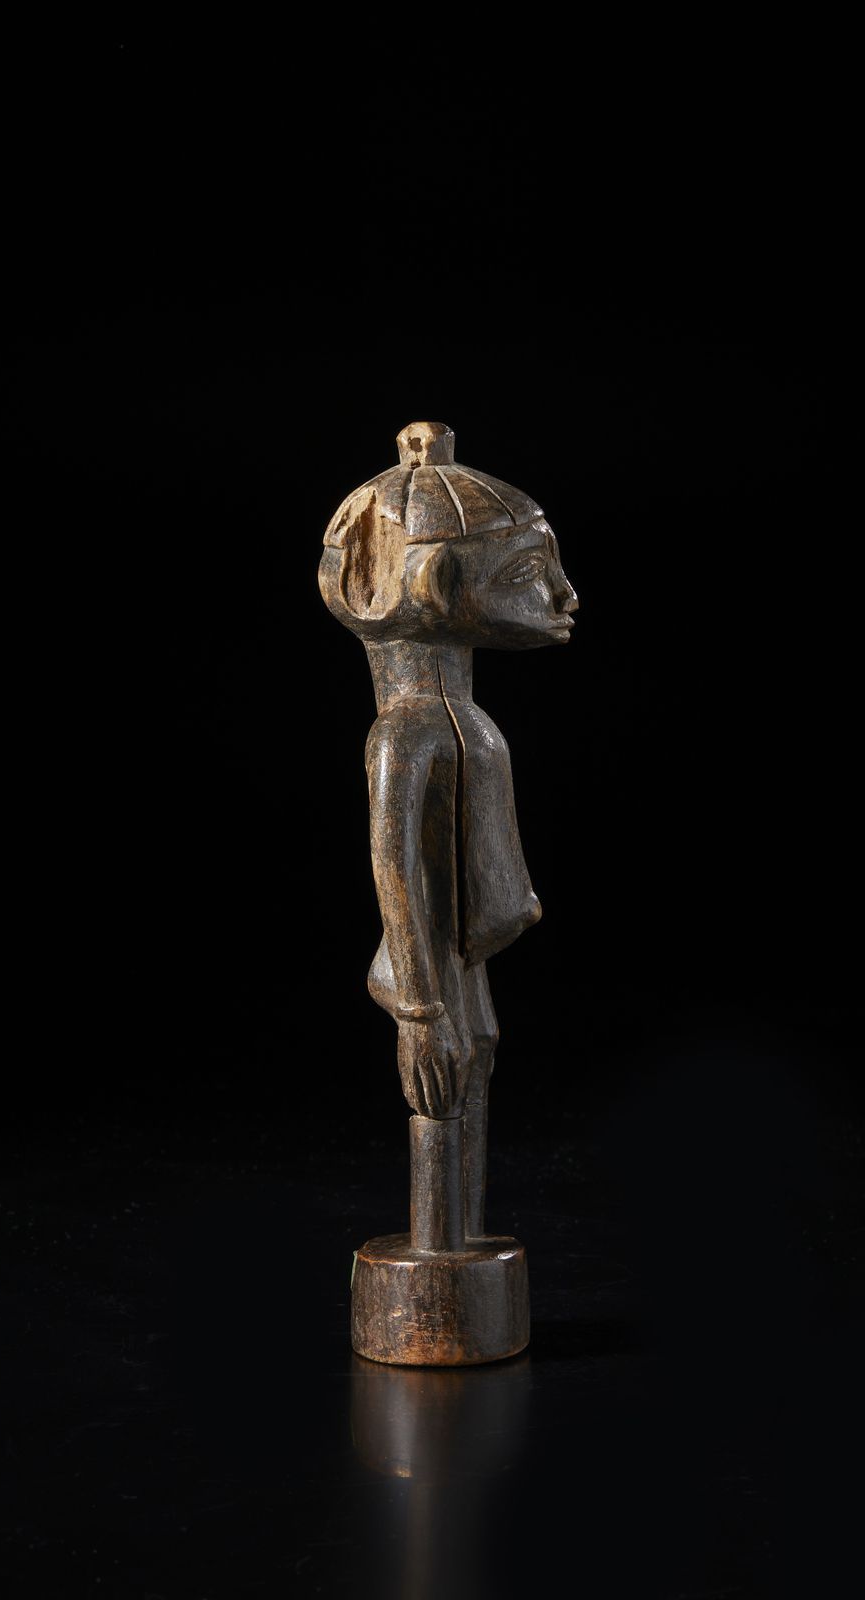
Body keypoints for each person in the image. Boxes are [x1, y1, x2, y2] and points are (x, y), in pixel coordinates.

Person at [319, 421, 577, 1238]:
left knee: (480, 1049)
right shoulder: (405, 732)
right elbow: (392, 860)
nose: (565, 596)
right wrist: (422, 1015)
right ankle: (438, 1241)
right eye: (531, 573)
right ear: (435, 582)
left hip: (456, 964)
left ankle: (456, 1241)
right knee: (446, 1072)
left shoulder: (458, 720)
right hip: (428, 974)